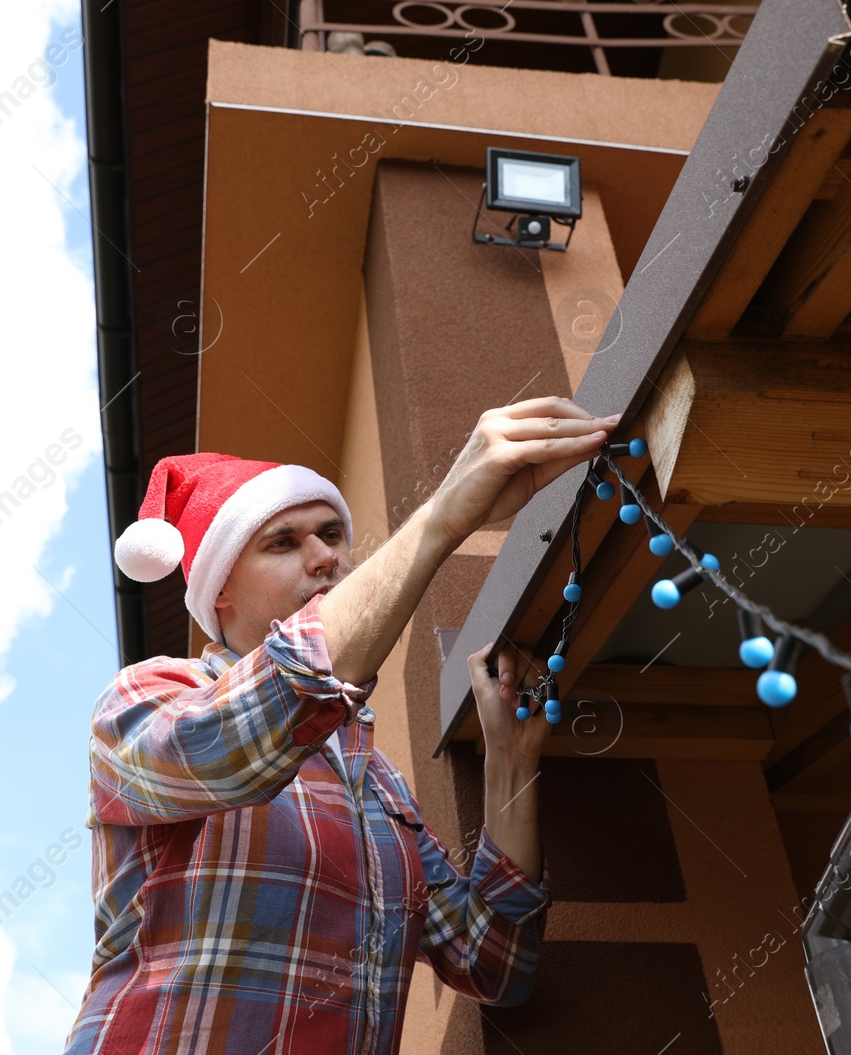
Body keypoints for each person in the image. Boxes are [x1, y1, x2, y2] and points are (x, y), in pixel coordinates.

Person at [62, 397, 623, 1055]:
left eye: (331, 534)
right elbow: (243, 738)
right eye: (283, 542)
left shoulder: (381, 787)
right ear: (220, 593)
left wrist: (510, 762)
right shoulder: (150, 695)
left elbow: (492, 962)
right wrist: (445, 514)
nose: (324, 555)